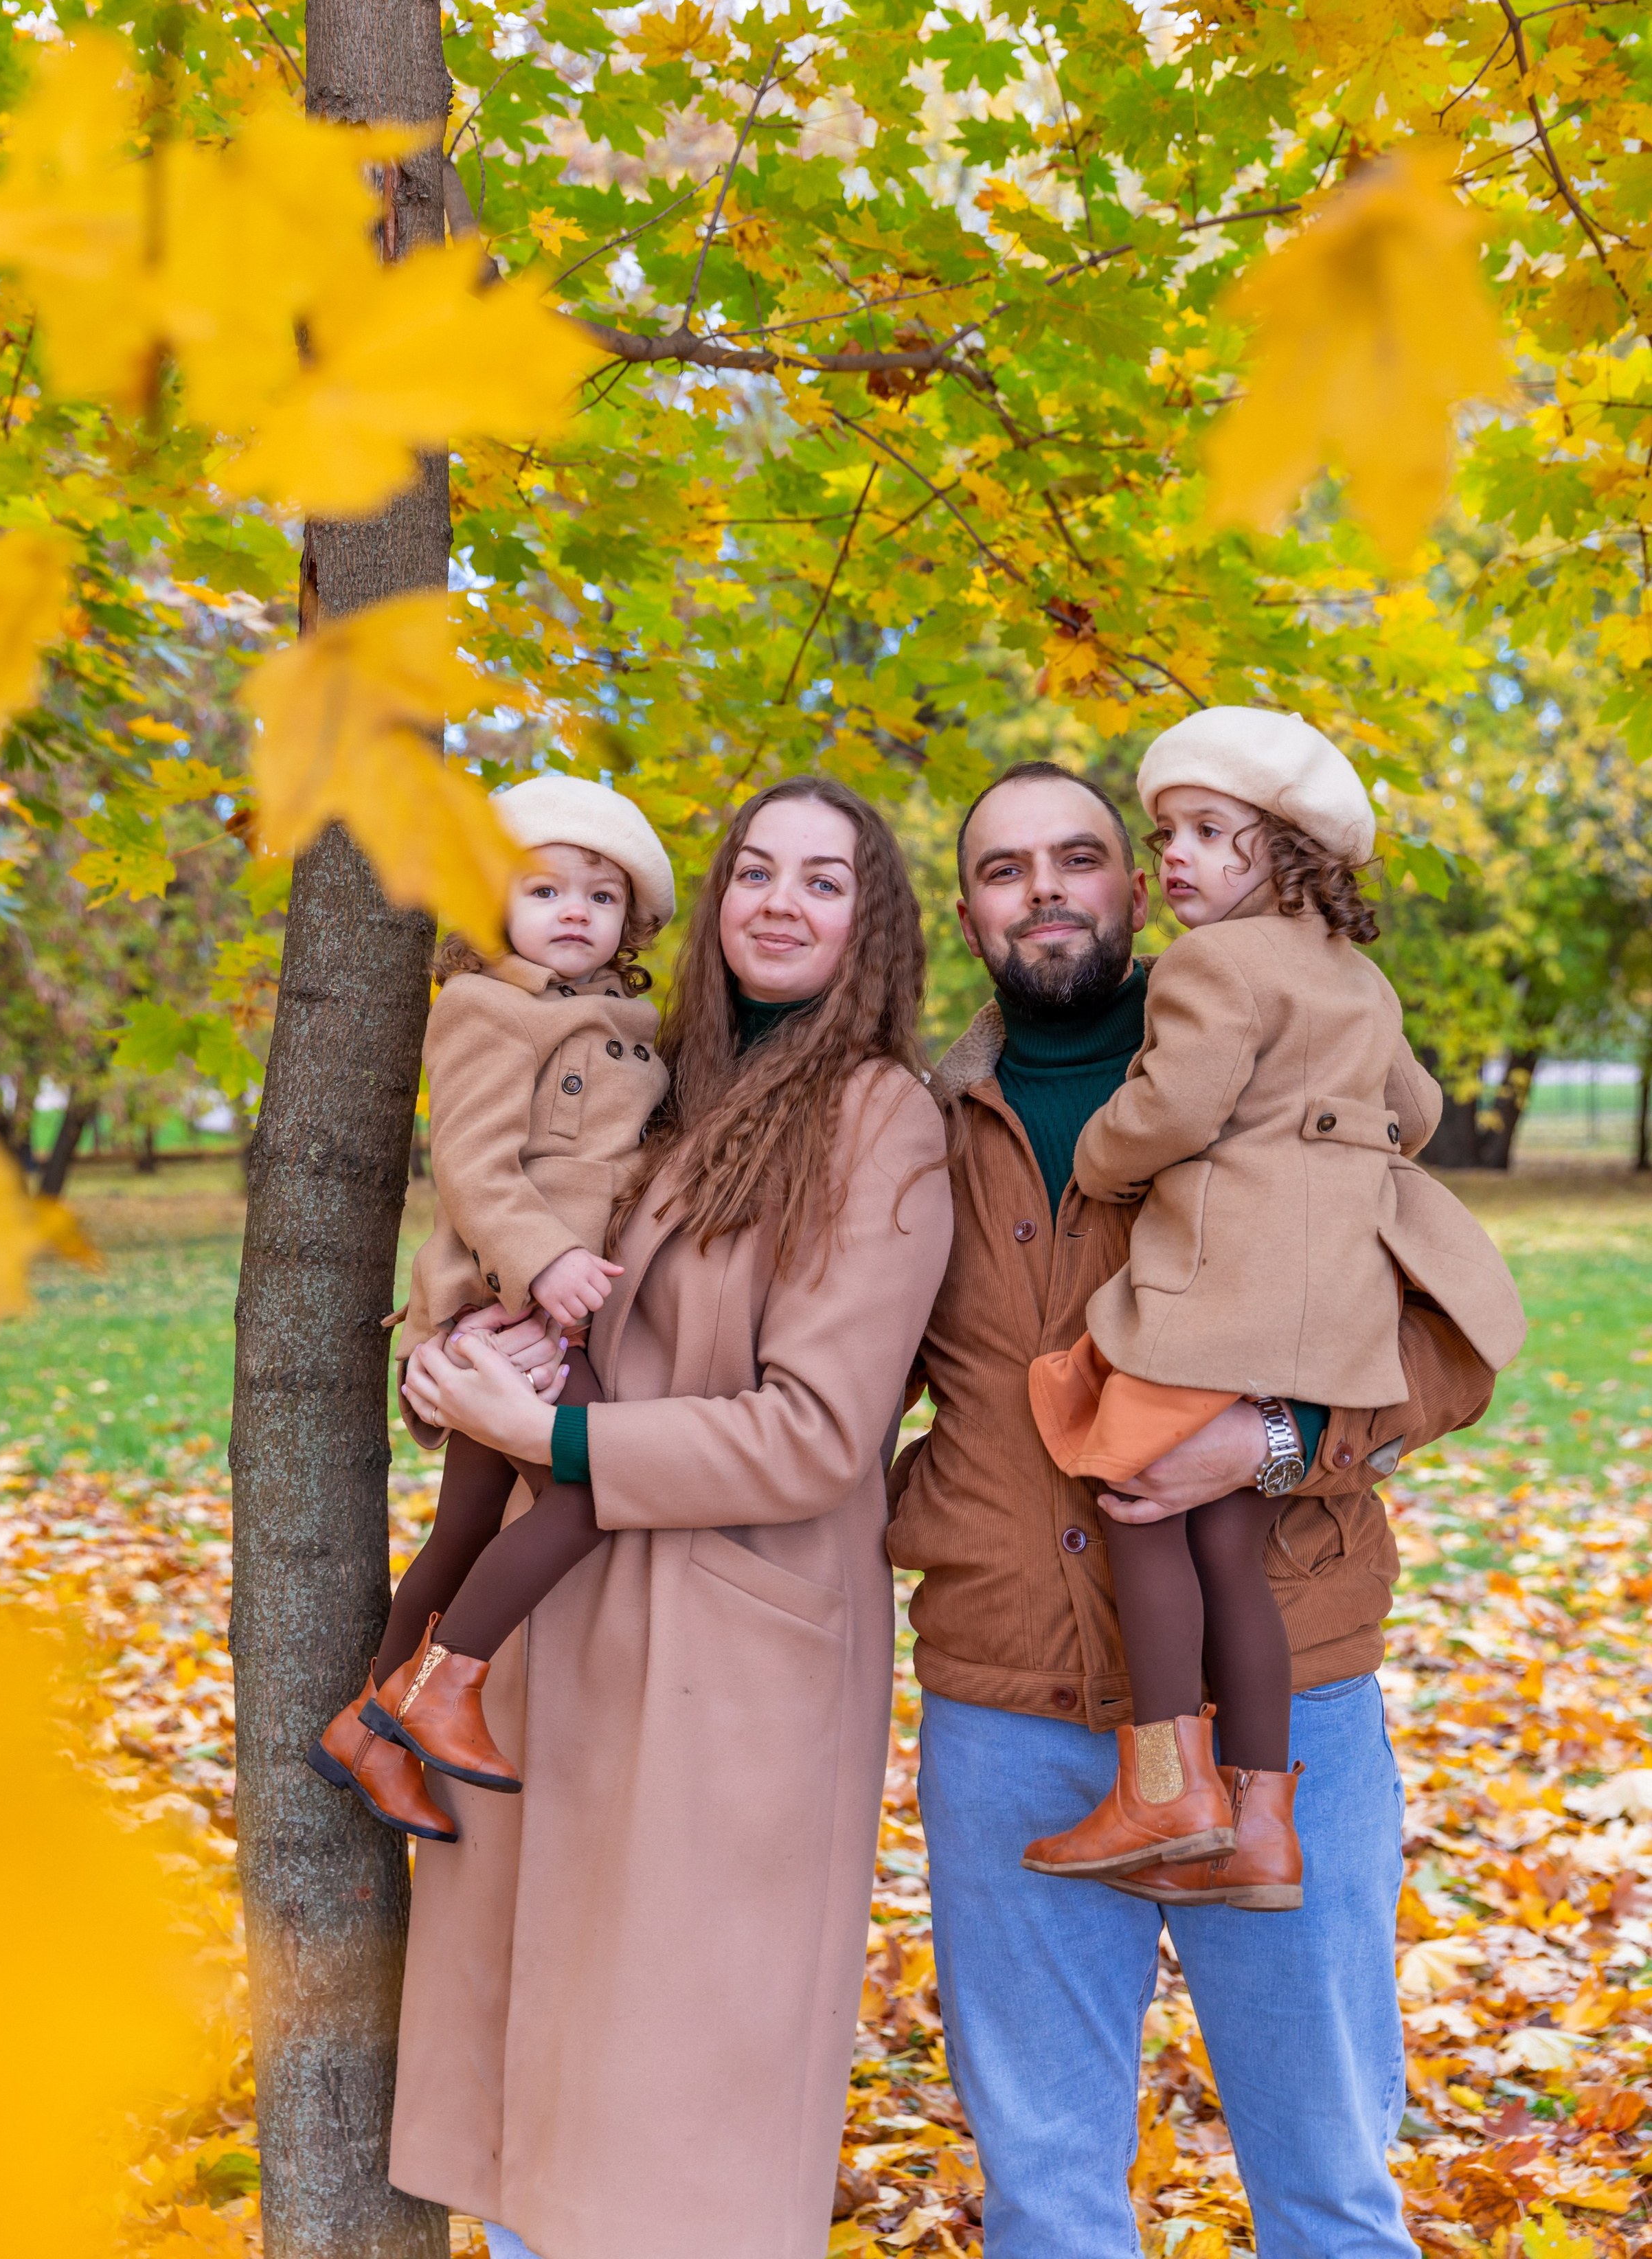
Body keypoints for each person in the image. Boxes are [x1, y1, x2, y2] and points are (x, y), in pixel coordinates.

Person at [887, 755, 1526, 2259]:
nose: (1042, 889)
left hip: (1285, 1711)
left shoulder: (1284, 1067)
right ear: (969, 911)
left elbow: (1440, 1349)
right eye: (1000, 868)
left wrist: (1275, 1443)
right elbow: (799, 1378)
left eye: (1079, 856)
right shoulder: (917, 1126)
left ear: (1134, 885)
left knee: (1322, 2185)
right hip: (1008, 1713)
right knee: (1043, 2195)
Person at [386, 777, 953, 2259]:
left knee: (672, 2124)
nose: (779, 900)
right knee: (530, 2102)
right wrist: (449, 1367)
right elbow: (509, 1249)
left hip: (727, 1648)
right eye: (753, 871)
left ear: (869, 927)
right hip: (553, 1629)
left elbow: (817, 1434)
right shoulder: (650, 1078)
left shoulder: (875, 1117)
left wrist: (554, 1433)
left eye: (822, 882)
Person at [1019, 708, 1502, 1904]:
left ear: (1280, 851)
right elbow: (1420, 1114)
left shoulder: (1209, 964)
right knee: (1227, 1543)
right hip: (1315, 1331)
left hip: (1206, 1306)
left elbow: (1175, 1109)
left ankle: (1164, 1784)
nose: (1174, 856)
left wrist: (1100, 1155)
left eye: (1207, 833)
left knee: (1135, 1502)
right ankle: (1262, 1827)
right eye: (1165, 833)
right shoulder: (1356, 980)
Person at [310, 772, 675, 1841]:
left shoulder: (633, 1027)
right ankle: (441, 1685)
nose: (575, 913)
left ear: (631, 922)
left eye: (601, 899)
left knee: (470, 1515)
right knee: (584, 1491)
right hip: (499, 1306)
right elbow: (471, 1166)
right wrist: (546, 1262)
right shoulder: (484, 1009)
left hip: (558, 1311)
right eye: (545, 889)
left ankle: (369, 1734)